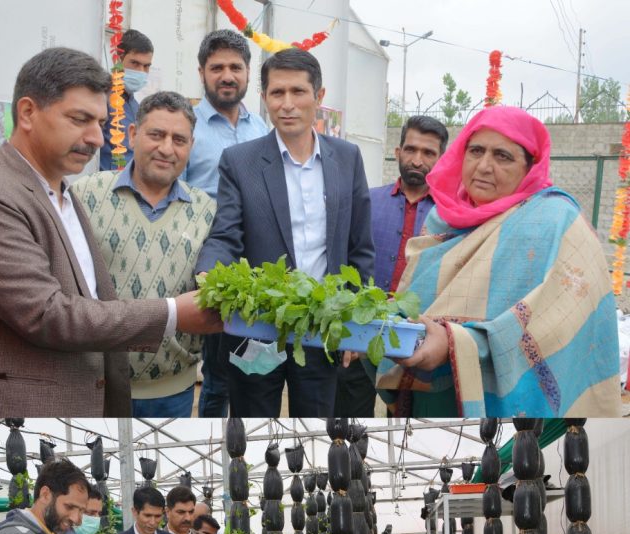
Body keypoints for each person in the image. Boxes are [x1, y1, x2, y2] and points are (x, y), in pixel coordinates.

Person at [0, 46, 221, 417]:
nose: (97, 139)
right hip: (10, 414)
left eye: (99, 123)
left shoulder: (65, 194)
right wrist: (172, 314)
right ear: (27, 113)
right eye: (79, 119)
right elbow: (47, 314)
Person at [375, 105, 621, 417]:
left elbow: (558, 325)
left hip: (508, 412)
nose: (484, 166)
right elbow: (415, 302)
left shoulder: (555, 222)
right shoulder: (443, 219)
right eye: (475, 151)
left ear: (529, 167)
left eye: (502, 156)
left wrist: (457, 343)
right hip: (429, 394)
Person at [195, 48, 374, 418]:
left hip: (322, 325)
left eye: (298, 92)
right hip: (259, 326)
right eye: (277, 93)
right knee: (254, 426)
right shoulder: (240, 161)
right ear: (264, 98)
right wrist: (209, 270)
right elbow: (226, 232)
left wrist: (356, 318)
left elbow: (360, 247)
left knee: (317, 424)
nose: (287, 104)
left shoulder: (347, 158)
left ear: (319, 97)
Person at [74, 91, 216, 418]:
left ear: (191, 146)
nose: (167, 148)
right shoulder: (86, 195)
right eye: (156, 135)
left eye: (179, 139)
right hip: (97, 384)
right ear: (134, 134)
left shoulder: (208, 212)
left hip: (171, 390)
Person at [335, 116, 449, 418]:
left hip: (417, 339)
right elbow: (345, 263)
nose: (417, 160)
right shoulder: (367, 201)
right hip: (361, 335)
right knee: (350, 423)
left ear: (441, 160)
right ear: (398, 152)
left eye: (428, 153)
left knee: (404, 423)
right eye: (410, 150)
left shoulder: (449, 215)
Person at [183, 28, 269, 418]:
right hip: (207, 266)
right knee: (216, 374)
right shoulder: (188, 130)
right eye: (217, 67)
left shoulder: (262, 130)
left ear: (249, 73)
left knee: (253, 365)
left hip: (254, 269)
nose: (227, 75)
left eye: (236, 66)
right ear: (202, 72)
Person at [99, 29, 154, 170]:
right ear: (117, 59)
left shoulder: (136, 107)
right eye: (135, 63)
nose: (141, 71)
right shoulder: (100, 97)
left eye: (146, 66)